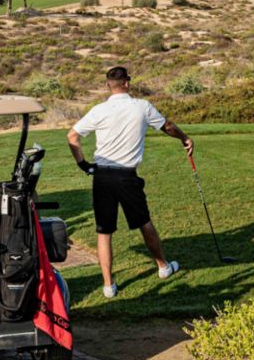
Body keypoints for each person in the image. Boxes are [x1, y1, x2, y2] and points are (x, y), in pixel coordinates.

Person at [67, 66, 193, 298]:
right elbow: (168, 127)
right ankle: (163, 267)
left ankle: (108, 286)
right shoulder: (142, 107)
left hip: (102, 176)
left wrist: (84, 165)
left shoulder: (99, 110)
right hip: (126, 176)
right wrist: (185, 138)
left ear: (108, 85)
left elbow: (72, 136)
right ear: (127, 82)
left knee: (104, 232)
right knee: (144, 222)